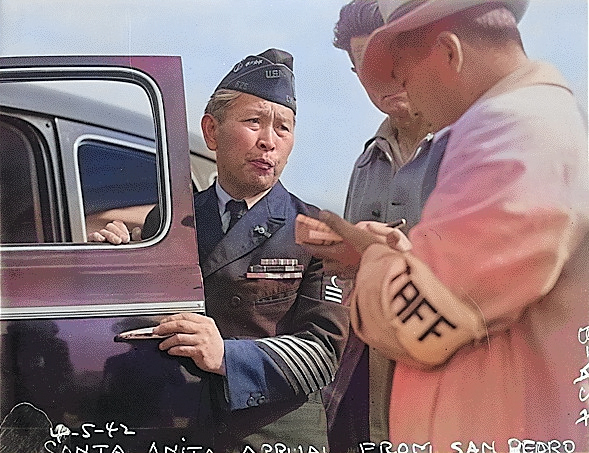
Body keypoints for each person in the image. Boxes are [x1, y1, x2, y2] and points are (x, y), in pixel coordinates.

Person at [305, 0, 589, 450]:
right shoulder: (517, 127)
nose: (401, 92)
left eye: (403, 75)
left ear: (449, 53)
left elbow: (416, 320)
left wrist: (371, 257)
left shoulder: (515, 137)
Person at [90, 49, 348, 452]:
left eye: (284, 128)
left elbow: (322, 352)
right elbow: (130, 328)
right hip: (177, 426)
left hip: (271, 435)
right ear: (211, 131)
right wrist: (117, 263)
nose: (268, 142)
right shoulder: (169, 220)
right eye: (253, 122)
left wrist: (226, 355)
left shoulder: (315, 231)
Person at [323, 1, 432, 450]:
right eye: (364, 66)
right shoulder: (367, 161)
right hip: (371, 383)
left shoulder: (479, 147)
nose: (381, 78)